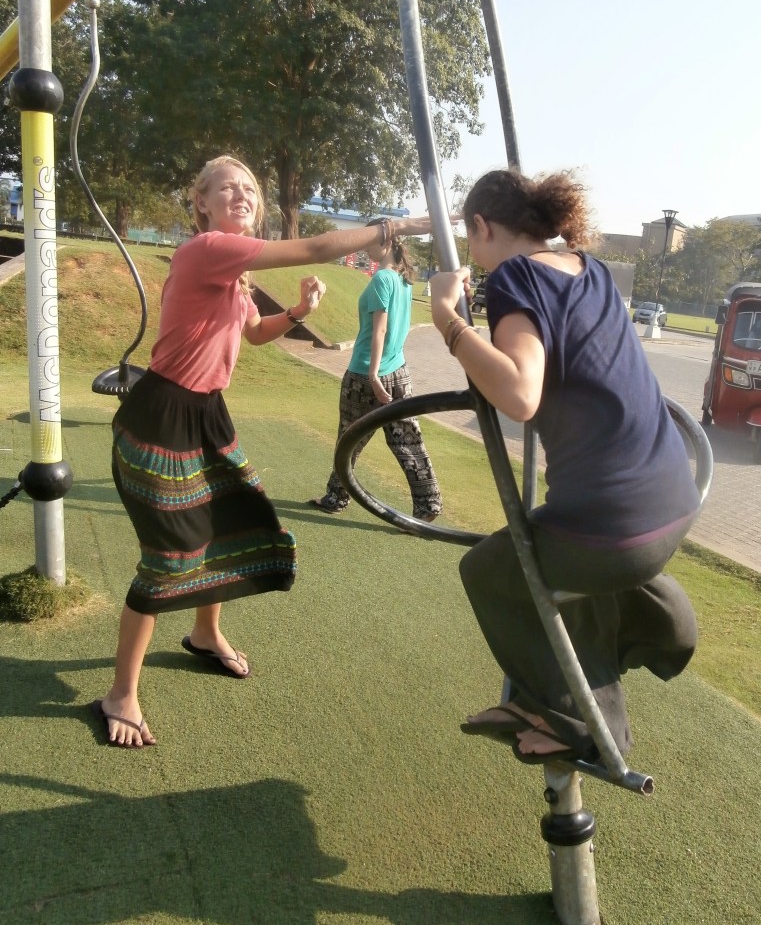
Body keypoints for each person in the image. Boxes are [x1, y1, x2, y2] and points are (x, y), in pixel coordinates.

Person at [93, 154, 430, 748]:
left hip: (205, 413)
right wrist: (395, 228)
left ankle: (204, 634)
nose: (241, 194)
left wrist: (297, 313)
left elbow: (252, 332)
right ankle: (121, 692)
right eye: (226, 187)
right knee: (171, 555)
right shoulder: (205, 252)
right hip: (162, 416)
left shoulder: (234, 274)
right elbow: (315, 246)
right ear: (201, 202)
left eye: (249, 188)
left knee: (229, 523)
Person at [428, 168, 700, 764]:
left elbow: (520, 394)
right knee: (565, 563)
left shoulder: (516, 276)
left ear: (482, 226)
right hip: (676, 499)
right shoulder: (589, 268)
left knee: (492, 571)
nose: (474, 256)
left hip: (616, 526)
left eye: (471, 240)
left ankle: (572, 718)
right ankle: (651, 628)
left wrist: (448, 318)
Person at [310, 237, 442, 521]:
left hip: (366, 374)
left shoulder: (382, 278)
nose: (363, 245)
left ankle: (336, 497)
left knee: (349, 438)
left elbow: (380, 331)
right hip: (399, 370)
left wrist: (372, 374)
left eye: (370, 239)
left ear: (388, 241)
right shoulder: (403, 280)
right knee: (407, 439)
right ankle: (428, 504)